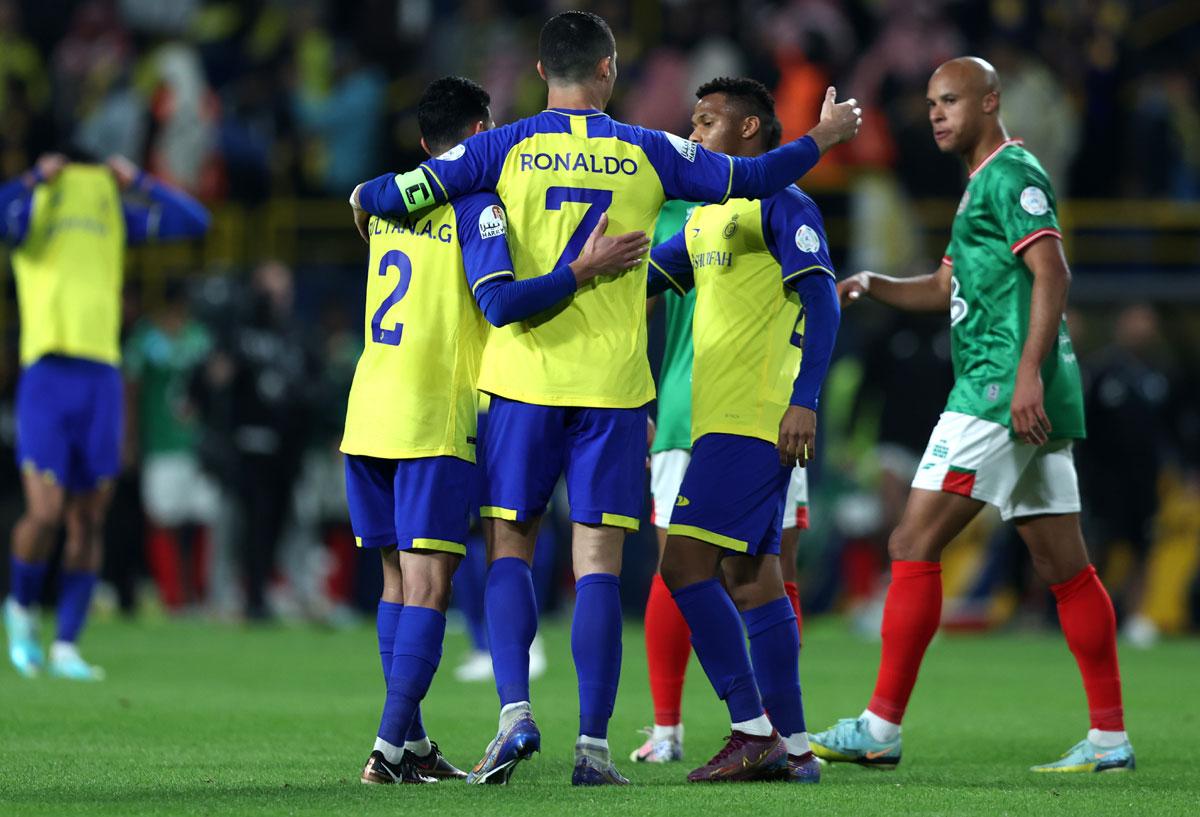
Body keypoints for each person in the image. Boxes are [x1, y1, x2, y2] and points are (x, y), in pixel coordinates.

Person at [351, 10, 861, 787]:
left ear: (538, 71)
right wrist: (821, 138)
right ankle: (593, 748)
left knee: (511, 548)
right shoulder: (650, 149)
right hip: (616, 390)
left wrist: (364, 193)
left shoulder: (501, 145)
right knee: (598, 563)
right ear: (609, 70)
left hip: (521, 380)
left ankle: (514, 714)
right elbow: (756, 177)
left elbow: (401, 191)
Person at [810, 57, 1134, 774]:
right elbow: (942, 287)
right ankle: (1110, 738)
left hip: (996, 390)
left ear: (991, 102)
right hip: (1021, 392)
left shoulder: (1012, 174)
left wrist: (1023, 375)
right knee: (1065, 566)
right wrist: (874, 284)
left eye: (950, 99)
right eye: (930, 102)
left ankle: (880, 725)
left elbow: (1054, 271)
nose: (936, 113)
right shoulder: (976, 188)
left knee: (910, 540)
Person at [344, 76, 649, 785]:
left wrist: (362, 193)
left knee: (395, 582)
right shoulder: (479, 204)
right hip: (433, 413)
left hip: (366, 410)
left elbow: (369, 197)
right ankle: (388, 749)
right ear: (483, 136)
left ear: (425, 145)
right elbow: (503, 303)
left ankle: (413, 742)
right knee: (427, 585)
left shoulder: (386, 202)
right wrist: (579, 271)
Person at [647, 77, 839, 784]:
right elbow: (640, 281)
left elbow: (823, 300)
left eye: (707, 123)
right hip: (716, 423)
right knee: (751, 578)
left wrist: (805, 399)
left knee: (682, 566)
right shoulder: (699, 219)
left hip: (756, 419)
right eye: (692, 123)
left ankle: (750, 729)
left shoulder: (782, 202)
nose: (694, 137)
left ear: (752, 131)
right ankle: (794, 747)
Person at [2, 152, 210, 680]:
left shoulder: (114, 215)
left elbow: (195, 222)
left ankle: (67, 645)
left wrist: (138, 180)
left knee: (89, 516)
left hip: (101, 376)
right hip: (47, 372)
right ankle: (21, 609)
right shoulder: (32, 212)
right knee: (46, 514)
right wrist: (32, 178)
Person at [124, 279, 219, 611]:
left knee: (203, 515)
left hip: (199, 445)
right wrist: (130, 439)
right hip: (161, 443)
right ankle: (172, 596)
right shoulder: (146, 339)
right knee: (164, 518)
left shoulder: (200, 337)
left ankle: (200, 593)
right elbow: (131, 389)